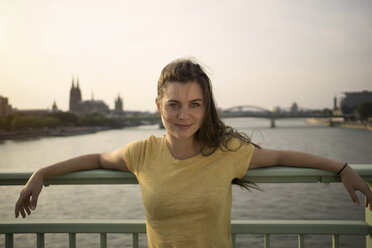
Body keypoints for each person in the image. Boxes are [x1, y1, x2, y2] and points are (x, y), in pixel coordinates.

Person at [15, 58, 372, 247]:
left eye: (195, 104)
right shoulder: (142, 152)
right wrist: (42, 173)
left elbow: (279, 157)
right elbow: (95, 159)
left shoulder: (227, 151)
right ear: (158, 105)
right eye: (174, 104)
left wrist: (341, 166)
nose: (184, 114)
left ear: (205, 107)